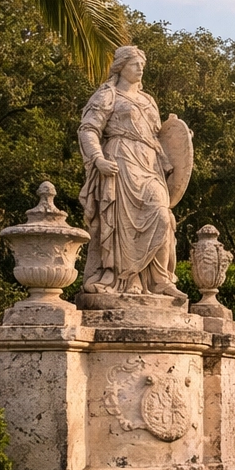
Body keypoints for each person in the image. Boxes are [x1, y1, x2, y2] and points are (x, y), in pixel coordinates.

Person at [78, 45, 182, 297]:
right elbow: (88, 129)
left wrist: (179, 139)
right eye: (135, 64)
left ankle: (159, 279)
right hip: (121, 159)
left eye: (142, 65)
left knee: (161, 214)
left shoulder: (148, 100)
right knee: (124, 222)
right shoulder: (108, 95)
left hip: (150, 163)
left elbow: (158, 136)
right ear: (121, 66)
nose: (140, 68)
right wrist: (98, 158)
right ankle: (124, 279)